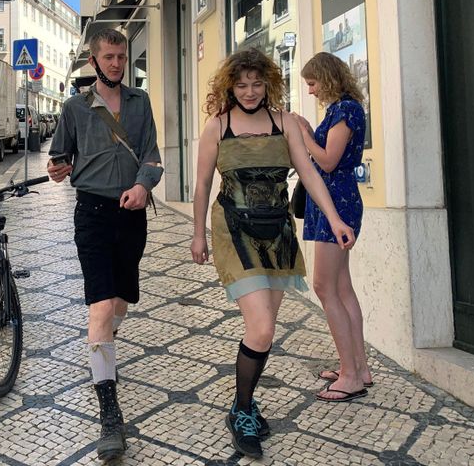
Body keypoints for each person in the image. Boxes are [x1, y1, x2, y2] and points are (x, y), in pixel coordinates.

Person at [189, 49, 356, 459]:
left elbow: (312, 173)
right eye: (242, 84)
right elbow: (201, 184)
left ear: (268, 83)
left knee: (264, 330)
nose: (249, 91)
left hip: (277, 231)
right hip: (233, 229)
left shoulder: (284, 123)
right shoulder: (217, 126)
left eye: (257, 83)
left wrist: (334, 220)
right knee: (261, 327)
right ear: (230, 85)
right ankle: (242, 409)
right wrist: (197, 235)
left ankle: (245, 402)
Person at [47, 28, 163, 462]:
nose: (116, 63)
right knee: (99, 307)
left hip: (132, 215)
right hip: (92, 214)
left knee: (118, 305)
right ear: (94, 61)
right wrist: (58, 168)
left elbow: (152, 155)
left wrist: (142, 184)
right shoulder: (74, 108)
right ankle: (110, 416)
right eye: (109, 57)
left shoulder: (140, 103)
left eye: (121, 56)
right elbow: (59, 156)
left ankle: (102, 352)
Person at [294, 52, 371, 402]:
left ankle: (351, 375)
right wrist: (311, 132)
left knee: (325, 286)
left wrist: (303, 134)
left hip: (336, 202)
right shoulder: (343, 108)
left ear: (326, 78)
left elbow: (327, 160)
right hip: (335, 199)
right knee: (342, 288)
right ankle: (358, 367)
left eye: (312, 83)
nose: (310, 90)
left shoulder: (345, 110)